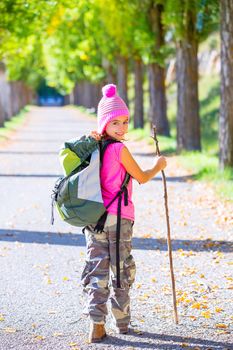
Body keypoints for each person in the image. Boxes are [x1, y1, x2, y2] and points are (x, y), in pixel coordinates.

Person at [81, 84, 167, 343]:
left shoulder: (93, 148)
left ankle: (96, 324)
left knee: (97, 268)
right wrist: (157, 165)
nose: (121, 127)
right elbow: (140, 177)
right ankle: (122, 322)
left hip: (94, 218)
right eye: (115, 122)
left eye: (125, 122)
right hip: (119, 220)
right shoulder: (119, 149)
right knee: (121, 269)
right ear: (104, 123)